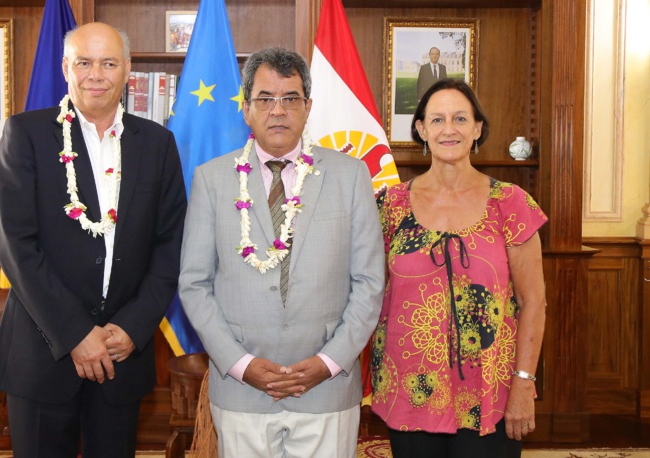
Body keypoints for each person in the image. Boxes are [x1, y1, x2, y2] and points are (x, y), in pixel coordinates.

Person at [0, 22, 186, 457]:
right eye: (84, 62)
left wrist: (133, 328)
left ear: (128, 70)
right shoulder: (26, 135)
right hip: (42, 358)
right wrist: (77, 334)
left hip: (122, 356)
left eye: (109, 62)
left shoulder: (157, 144)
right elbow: (15, 246)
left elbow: (170, 248)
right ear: (65, 68)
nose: (96, 74)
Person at [178, 47, 385, 457]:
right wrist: (240, 363)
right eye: (265, 99)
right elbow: (194, 285)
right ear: (246, 108)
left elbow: (369, 282)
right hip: (241, 387)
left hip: (326, 386)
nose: (278, 111)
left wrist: (329, 361)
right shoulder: (212, 179)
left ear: (308, 108)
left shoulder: (349, 175)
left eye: (290, 98)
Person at [371, 78, 548, 457]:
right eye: (436, 120)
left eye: (460, 119)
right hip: (410, 390)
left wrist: (523, 384)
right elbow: (366, 292)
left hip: (492, 392)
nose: (448, 129)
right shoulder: (389, 205)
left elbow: (533, 302)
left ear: (477, 128)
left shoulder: (511, 202)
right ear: (420, 129)